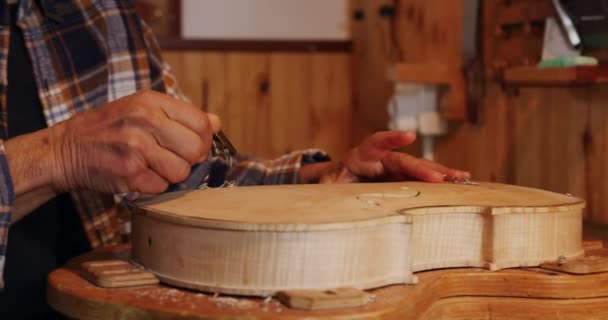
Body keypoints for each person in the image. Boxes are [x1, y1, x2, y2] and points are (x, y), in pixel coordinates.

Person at [0, 0, 470, 318]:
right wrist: (59, 155)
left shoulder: (99, 13)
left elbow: (189, 181)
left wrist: (322, 181)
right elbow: (77, 153)